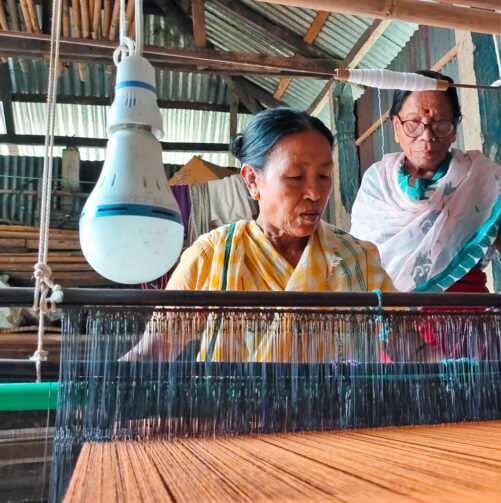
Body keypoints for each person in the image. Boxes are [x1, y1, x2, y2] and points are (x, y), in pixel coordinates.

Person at [125, 107, 398, 362]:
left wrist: (438, 366)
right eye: (295, 177)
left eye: (324, 175)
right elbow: (156, 348)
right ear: (252, 180)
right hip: (237, 413)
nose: (315, 193)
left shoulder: (354, 257)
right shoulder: (211, 255)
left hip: (341, 411)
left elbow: (401, 335)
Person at [350, 70, 501, 294]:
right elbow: (359, 268)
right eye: (413, 123)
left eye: (440, 123)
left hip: (467, 322)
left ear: (455, 128)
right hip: (397, 323)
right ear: (396, 126)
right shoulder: (378, 184)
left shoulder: (479, 180)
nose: (427, 136)